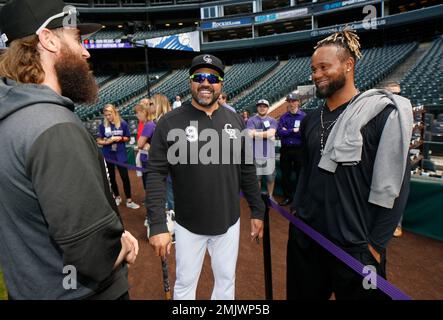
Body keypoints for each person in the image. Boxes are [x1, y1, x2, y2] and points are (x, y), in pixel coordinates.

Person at [0, 0, 138, 300]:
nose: (86, 51)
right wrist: (122, 245)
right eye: (77, 38)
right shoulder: (54, 127)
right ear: (48, 39)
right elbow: (93, 256)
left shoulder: (11, 118)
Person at [287, 29, 413, 300]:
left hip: (357, 247)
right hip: (308, 239)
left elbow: (398, 186)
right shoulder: (310, 119)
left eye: (324, 67)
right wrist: (298, 214)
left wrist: (376, 246)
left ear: (348, 65)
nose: (317, 74)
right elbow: (306, 172)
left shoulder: (382, 113)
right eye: (313, 69)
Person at [146, 54, 265, 300]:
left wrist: (257, 210)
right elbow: (156, 174)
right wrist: (157, 224)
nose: (206, 83)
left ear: (221, 83)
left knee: (225, 283)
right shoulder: (169, 122)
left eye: (213, 78)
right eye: (199, 77)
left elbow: (247, 168)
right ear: (190, 82)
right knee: (185, 285)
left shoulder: (234, 120)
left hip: (229, 222)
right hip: (189, 224)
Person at [97, 104, 140, 209]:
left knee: (125, 177)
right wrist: (106, 142)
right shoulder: (103, 126)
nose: (108, 117)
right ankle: (117, 197)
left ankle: (129, 200)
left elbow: (128, 138)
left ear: (114, 113)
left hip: (120, 154)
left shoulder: (123, 123)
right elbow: (98, 140)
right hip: (108, 154)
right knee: (111, 177)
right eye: (106, 115)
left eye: (109, 114)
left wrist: (119, 138)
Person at [277, 93, 306, 206]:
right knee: (285, 174)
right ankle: (288, 197)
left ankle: (300, 198)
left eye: (293, 101)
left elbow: (303, 134)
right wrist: (293, 130)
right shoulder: (284, 117)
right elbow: (280, 133)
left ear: (298, 102)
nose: (291, 103)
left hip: (299, 150)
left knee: (300, 174)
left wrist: (287, 130)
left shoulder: (304, 117)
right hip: (286, 149)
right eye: (289, 101)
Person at [247, 99, 278, 199]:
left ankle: (270, 196)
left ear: (267, 108)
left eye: (264, 106)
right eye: (260, 106)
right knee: (257, 178)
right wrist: (266, 135)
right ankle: (258, 197)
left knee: (270, 178)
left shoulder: (272, 120)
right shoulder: (251, 120)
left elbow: (271, 133)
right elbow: (250, 135)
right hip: (256, 154)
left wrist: (256, 133)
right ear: (257, 108)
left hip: (269, 154)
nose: (262, 108)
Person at [384, 81, 403, 237]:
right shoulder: (379, 111)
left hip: (397, 160)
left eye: (397, 94)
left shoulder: (405, 111)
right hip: (380, 159)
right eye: (391, 93)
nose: (394, 97)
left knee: (396, 194)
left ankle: (397, 224)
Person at [134, 102, 153, 190]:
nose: (136, 115)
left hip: (149, 159)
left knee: (149, 184)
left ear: (144, 112)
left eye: (138, 112)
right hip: (147, 158)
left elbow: (139, 144)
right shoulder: (148, 124)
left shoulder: (148, 125)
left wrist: (142, 144)